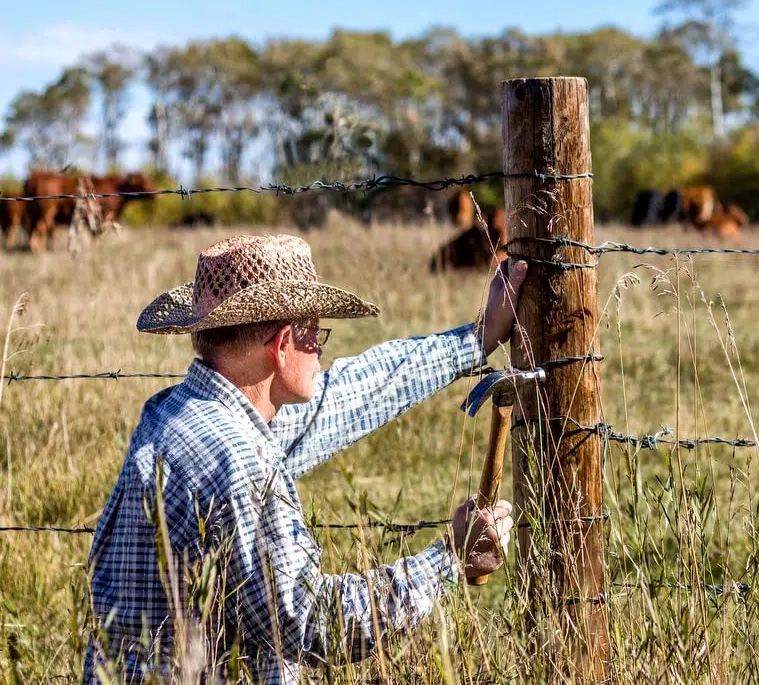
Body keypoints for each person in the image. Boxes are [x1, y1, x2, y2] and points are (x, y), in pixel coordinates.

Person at [83, 234, 528, 684]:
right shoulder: (239, 461)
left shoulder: (176, 415)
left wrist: (476, 339)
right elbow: (313, 621)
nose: (321, 347)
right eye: (314, 332)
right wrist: (449, 558)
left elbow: (348, 396)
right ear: (281, 345)